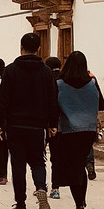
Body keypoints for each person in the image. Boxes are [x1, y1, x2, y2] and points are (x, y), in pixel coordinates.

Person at [0, 32, 58, 209]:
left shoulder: (11, 70)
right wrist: (52, 123)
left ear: (20, 47)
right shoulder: (46, 72)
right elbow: (52, 99)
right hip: (37, 126)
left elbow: (3, 99)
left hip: (15, 125)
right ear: (39, 49)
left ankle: (20, 205)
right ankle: (40, 187)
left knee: (18, 164)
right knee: (38, 160)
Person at [55, 51, 104, 209]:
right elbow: (102, 105)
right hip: (88, 131)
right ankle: (82, 203)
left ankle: (80, 206)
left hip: (68, 131)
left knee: (73, 167)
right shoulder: (92, 82)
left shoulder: (60, 84)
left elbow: (54, 107)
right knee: (81, 164)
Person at [44, 57, 64, 199]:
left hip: (45, 124)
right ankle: (55, 188)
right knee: (56, 158)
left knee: (39, 157)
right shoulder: (64, 81)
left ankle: (41, 185)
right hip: (61, 125)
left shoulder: (45, 81)